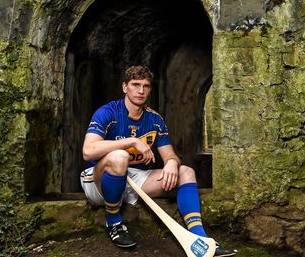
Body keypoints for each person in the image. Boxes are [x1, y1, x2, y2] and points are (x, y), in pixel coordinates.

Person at [80, 65, 236, 256]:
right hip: (98, 181)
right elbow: (88, 152)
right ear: (124, 87)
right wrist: (132, 141)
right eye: (135, 85)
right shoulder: (108, 112)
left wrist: (171, 162)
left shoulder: (154, 120)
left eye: (146, 86)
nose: (141, 90)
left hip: (132, 178)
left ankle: (199, 239)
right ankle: (113, 222)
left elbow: (170, 155)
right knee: (119, 156)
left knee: (186, 171)